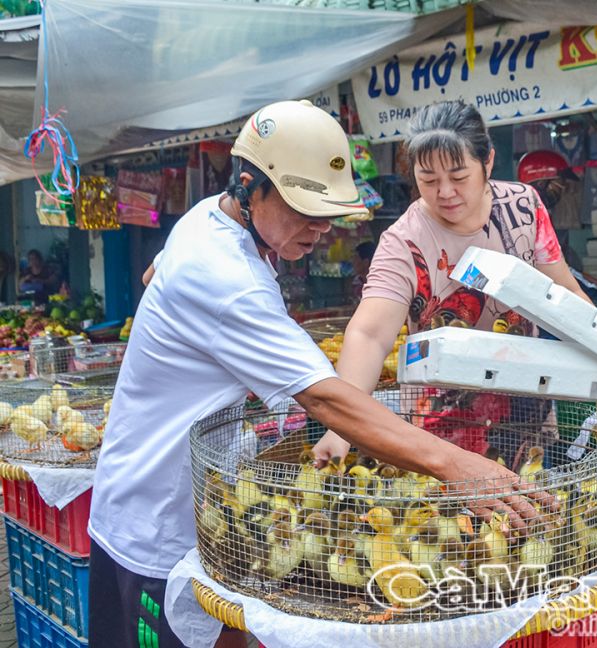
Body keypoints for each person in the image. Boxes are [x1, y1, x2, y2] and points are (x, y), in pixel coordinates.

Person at [88, 100, 548, 648]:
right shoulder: (229, 281)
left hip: (197, 514)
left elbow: (154, 269)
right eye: (303, 209)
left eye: (327, 212)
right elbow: (326, 399)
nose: (320, 228)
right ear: (248, 186)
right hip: (153, 529)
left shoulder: (211, 218)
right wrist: (456, 466)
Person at [335, 101, 592, 460]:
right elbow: (369, 334)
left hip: (524, 421)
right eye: (428, 180)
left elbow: (564, 292)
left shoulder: (523, 206)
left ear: (487, 161)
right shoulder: (404, 241)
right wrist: (342, 425)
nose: (445, 192)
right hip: (440, 439)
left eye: (458, 177)